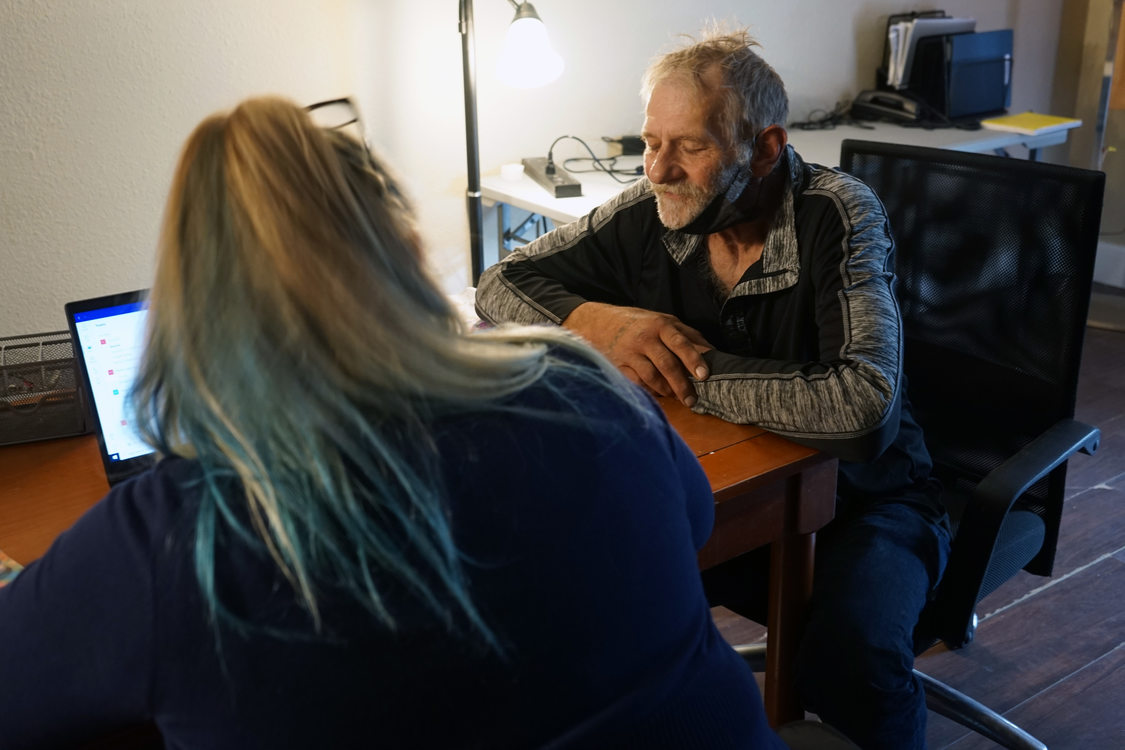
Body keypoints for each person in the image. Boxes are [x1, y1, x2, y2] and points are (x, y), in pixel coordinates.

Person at [0, 96, 793, 749]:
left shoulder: (175, 533)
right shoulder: (580, 382)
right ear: (406, 250)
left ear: (191, 303)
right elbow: (689, 522)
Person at [475, 26, 953, 750]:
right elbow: (498, 283)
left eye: (689, 147)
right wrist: (599, 323)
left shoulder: (838, 212)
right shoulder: (650, 205)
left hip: (872, 502)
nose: (658, 169)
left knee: (851, 658)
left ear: (764, 148)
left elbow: (861, 410)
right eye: (649, 141)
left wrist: (680, 368)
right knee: (578, 602)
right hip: (731, 490)